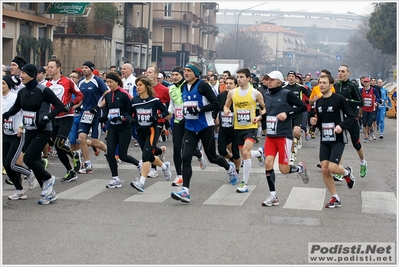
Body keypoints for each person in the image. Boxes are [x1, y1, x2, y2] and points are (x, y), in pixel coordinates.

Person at [170, 62, 239, 204]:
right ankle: (185, 191)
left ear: (195, 73)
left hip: (205, 126)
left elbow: (216, 104)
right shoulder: (183, 86)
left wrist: (200, 109)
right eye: (185, 70)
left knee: (213, 157)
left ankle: (229, 167)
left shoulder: (202, 85)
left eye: (189, 70)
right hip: (190, 127)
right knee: (186, 156)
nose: (186, 73)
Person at [2, 64, 65, 204]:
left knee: (29, 158)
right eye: (21, 73)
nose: (21, 76)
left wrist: (47, 117)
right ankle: (49, 192)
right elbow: (16, 107)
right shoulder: (22, 92)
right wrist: (6, 115)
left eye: (24, 73)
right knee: (34, 161)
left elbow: (60, 106)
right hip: (29, 130)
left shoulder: (43, 90)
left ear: (32, 75)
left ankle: (49, 178)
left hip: (43, 130)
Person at [260, 70, 310, 207]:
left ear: (279, 82)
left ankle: (299, 169)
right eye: (267, 79)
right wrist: (260, 117)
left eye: (271, 79)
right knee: (268, 164)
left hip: (283, 136)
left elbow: (302, 107)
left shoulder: (287, 93)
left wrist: (287, 113)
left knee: (283, 169)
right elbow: (269, 112)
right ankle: (273, 196)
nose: (268, 82)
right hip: (270, 135)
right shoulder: (267, 95)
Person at [309, 74, 356, 208]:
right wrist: (314, 122)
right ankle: (335, 197)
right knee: (324, 169)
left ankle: (347, 173)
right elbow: (321, 122)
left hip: (338, 139)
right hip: (325, 139)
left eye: (324, 83)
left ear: (331, 85)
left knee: (333, 168)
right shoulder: (318, 102)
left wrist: (341, 126)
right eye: (320, 83)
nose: (321, 85)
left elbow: (351, 116)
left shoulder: (339, 99)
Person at [223, 68, 266, 193]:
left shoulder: (255, 93)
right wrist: (226, 109)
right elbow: (226, 105)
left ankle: (244, 183)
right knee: (244, 154)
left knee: (246, 153)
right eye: (238, 77)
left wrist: (259, 116)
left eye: (242, 77)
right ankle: (259, 153)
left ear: (249, 78)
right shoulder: (232, 93)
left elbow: (265, 108)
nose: (240, 79)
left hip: (251, 127)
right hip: (238, 127)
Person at [128, 75, 172, 192]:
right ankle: (164, 166)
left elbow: (165, 111)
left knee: (145, 156)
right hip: (140, 130)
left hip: (152, 130)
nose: (138, 87)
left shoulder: (154, 100)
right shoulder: (134, 101)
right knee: (150, 156)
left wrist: (157, 116)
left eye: (140, 85)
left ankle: (141, 182)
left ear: (146, 86)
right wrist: (130, 119)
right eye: (137, 85)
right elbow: (127, 114)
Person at [99, 72, 142, 188]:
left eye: (111, 82)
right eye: (107, 82)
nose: (109, 84)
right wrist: (104, 117)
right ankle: (115, 178)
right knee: (110, 153)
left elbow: (131, 111)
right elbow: (107, 110)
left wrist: (123, 118)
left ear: (117, 82)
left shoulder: (124, 94)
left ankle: (139, 164)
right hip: (113, 127)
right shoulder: (108, 95)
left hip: (124, 128)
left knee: (123, 155)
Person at [46, 58, 84, 182]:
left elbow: (80, 95)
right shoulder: (47, 84)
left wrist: (72, 103)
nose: (49, 69)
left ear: (59, 68)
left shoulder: (68, 81)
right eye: (48, 67)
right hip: (54, 117)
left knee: (59, 143)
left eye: (52, 67)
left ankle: (74, 154)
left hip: (67, 116)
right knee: (58, 148)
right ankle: (70, 171)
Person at [168, 66, 207, 186]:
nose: (174, 77)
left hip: (189, 120)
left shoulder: (188, 86)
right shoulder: (171, 89)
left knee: (185, 149)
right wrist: (169, 113)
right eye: (172, 75)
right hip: (177, 121)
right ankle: (179, 176)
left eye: (177, 75)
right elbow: (172, 104)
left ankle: (199, 154)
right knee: (176, 148)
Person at [3, 75, 36, 200]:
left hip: (17, 134)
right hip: (5, 134)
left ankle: (29, 173)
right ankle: (20, 190)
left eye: (3, 84)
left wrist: (22, 126)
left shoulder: (15, 97)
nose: (1, 86)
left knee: (10, 163)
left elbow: (25, 112)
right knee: (6, 165)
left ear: (9, 85)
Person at [334, 65, 367, 178]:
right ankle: (339, 170)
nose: (340, 73)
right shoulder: (336, 85)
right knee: (339, 144)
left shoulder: (352, 86)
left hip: (351, 118)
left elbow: (360, 102)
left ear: (348, 73)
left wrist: (347, 101)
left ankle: (362, 162)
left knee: (356, 144)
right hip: (340, 119)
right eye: (339, 71)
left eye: (343, 71)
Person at [77, 61, 108, 174]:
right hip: (84, 114)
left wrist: (99, 107)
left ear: (91, 69)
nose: (84, 69)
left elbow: (107, 95)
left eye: (86, 67)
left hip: (96, 114)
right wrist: (74, 106)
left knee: (95, 142)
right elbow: (79, 98)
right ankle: (88, 164)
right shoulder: (80, 82)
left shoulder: (97, 80)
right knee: (81, 139)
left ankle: (108, 152)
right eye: (83, 67)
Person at [145, 66, 170, 177]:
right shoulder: (144, 88)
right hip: (145, 120)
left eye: (150, 72)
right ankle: (160, 151)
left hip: (158, 121)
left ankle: (154, 169)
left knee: (151, 145)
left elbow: (170, 102)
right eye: (146, 72)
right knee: (147, 145)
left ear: (156, 75)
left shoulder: (164, 89)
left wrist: (168, 114)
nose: (147, 74)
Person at [214, 76, 241, 173]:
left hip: (236, 128)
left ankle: (236, 172)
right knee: (221, 151)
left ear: (236, 85)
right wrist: (214, 118)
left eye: (231, 83)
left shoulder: (240, 96)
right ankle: (231, 158)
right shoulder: (221, 96)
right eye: (227, 83)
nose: (228, 85)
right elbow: (216, 108)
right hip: (224, 128)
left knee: (236, 152)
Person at [283, 70, 310, 164]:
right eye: (289, 76)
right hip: (288, 113)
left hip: (298, 112)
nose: (291, 78)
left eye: (292, 76)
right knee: (290, 134)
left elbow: (309, 96)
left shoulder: (300, 87)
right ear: (287, 78)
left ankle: (298, 138)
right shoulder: (284, 88)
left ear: (295, 78)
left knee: (296, 132)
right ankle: (292, 153)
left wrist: (309, 102)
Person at [360, 77, 380, 142]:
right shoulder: (361, 90)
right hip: (365, 109)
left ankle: (371, 130)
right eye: (365, 82)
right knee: (364, 124)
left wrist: (376, 102)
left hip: (372, 110)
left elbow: (378, 97)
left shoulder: (373, 90)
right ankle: (366, 137)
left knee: (370, 123)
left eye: (367, 82)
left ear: (369, 83)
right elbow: (358, 97)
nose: (366, 83)